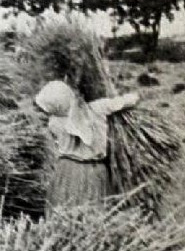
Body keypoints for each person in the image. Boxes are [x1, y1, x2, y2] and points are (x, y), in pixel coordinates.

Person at [35, 80, 139, 214]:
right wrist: (134, 96)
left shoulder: (54, 122)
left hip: (66, 170)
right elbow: (126, 101)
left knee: (64, 210)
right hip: (94, 170)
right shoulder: (98, 108)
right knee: (94, 210)